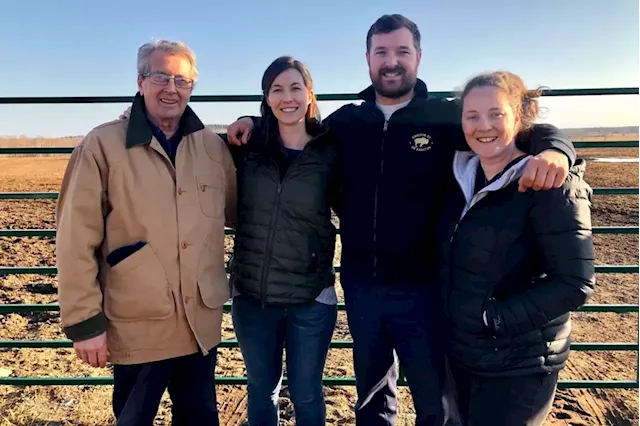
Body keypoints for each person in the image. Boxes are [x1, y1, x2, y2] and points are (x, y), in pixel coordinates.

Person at [226, 14, 576, 426]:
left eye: (402, 52)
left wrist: (556, 149)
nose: (391, 62)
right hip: (361, 284)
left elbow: (511, 129)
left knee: (434, 400)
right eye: (381, 53)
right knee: (372, 397)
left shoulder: (446, 117)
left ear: (419, 57)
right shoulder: (346, 123)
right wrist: (251, 122)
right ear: (368, 60)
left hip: (425, 287)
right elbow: (294, 129)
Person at [56, 40, 236, 426]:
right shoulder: (102, 145)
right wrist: (85, 323)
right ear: (140, 81)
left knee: (201, 417)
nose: (171, 88)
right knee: (134, 418)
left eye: (182, 80)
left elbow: (242, 211)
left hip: (199, 324)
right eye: (161, 76)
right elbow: (74, 238)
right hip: (137, 324)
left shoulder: (212, 148)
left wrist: (256, 126)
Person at [437, 71, 595, 426]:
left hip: (519, 363)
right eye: (472, 116)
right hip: (462, 354)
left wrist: (491, 320)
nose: (483, 125)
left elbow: (574, 283)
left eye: (496, 114)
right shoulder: (461, 175)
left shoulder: (552, 183)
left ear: (518, 118)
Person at [226, 56, 339, 426]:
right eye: (277, 89)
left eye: (295, 88)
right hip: (253, 296)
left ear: (309, 95)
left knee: (307, 393)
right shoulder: (246, 147)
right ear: (266, 98)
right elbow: (187, 143)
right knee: (261, 389)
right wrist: (136, 118)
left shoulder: (331, 151)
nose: (286, 97)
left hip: (310, 298)